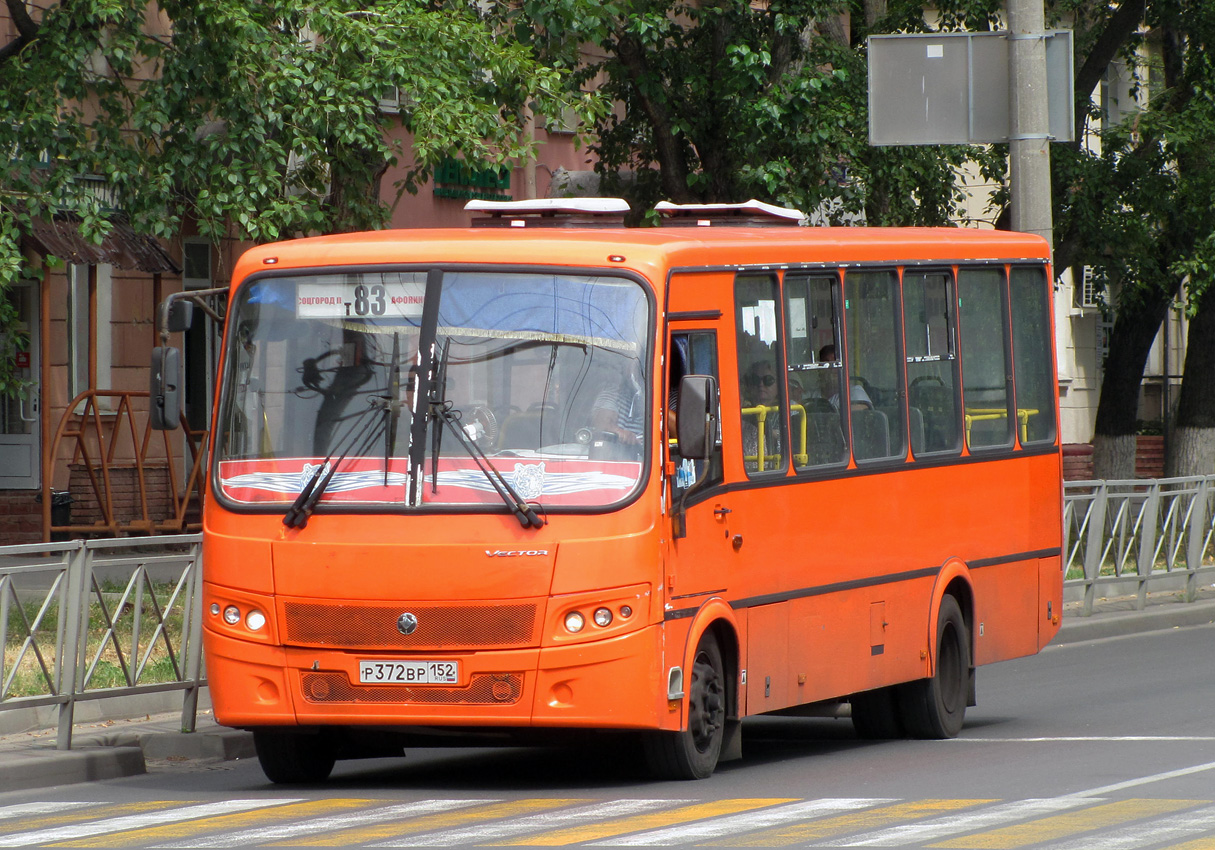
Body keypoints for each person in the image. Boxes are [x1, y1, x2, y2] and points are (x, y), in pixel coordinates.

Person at [591, 363, 645, 449]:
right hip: (615, 454)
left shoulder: (647, 400)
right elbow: (603, 423)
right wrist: (620, 432)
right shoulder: (614, 394)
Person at [742, 359, 782, 470]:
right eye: (755, 380)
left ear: (779, 385)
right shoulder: (741, 414)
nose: (761, 385)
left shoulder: (790, 411)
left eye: (768, 380)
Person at [817, 344, 872, 411]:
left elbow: (857, 416)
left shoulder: (855, 393)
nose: (832, 369)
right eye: (827, 364)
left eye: (836, 364)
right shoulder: (814, 396)